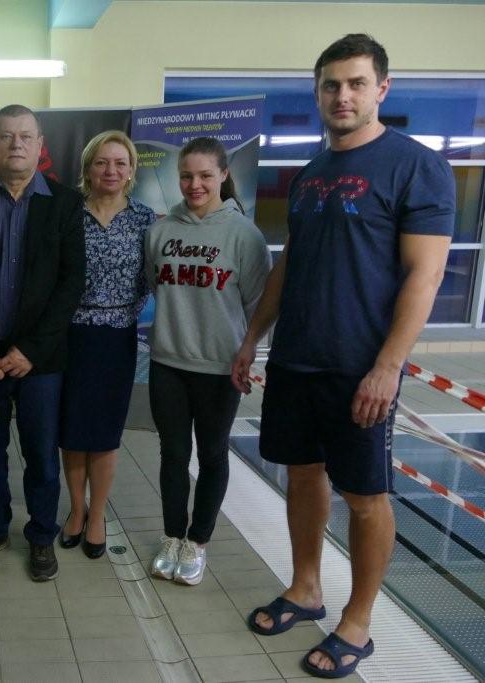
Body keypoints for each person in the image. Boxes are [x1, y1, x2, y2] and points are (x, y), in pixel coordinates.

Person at [231, 34, 454, 678]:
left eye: (357, 83)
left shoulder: (416, 166)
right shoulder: (310, 173)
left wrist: (387, 366)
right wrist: (253, 336)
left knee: (364, 496)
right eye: (331, 84)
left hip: (360, 366)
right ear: (318, 92)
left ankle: (358, 620)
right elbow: (290, 262)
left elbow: (425, 275)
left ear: (382, 88)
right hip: (297, 358)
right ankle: (306, 588)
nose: (343, 96)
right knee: (302, 476)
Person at [0, 104, 85, 581]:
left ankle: (41, 534)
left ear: (40, 144)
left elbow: (70, 284)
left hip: (39, 360)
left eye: (26, 136)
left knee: (42, 453)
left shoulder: (65, 204)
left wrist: (32, 351)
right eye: (6, 136)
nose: (16, 144)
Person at [144, 137, 271, 585]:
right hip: (168, 363)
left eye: (204, 175)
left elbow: (259, 305)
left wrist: (248, 351)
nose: (194, 184)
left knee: (213, 454)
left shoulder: (244, 235)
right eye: (186, 176)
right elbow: (155, 287)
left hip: (219, 368)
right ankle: (172, 536)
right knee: (173, 454)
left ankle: (198, 541)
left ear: (223, 176)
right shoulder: (160, 232)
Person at [59, 130, 156, 559]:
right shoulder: (68, 214)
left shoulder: (145, 219)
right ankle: (76, 510)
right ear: (88, 168)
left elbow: (151, 278)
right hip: (71, 336)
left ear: (131, 170)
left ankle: (97, 514)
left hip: (118, 337)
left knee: (104, 434)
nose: (111, 170)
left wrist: (124, 311)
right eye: (101, 162)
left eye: (120, 163)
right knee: (73, 431)